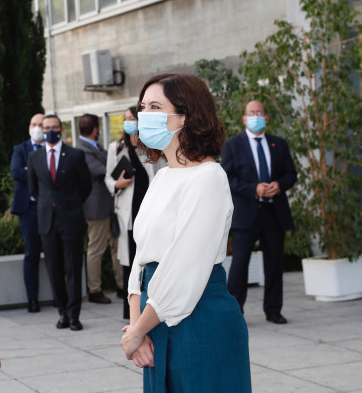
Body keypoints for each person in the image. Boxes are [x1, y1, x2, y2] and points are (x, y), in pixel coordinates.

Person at [120, 73, 251, 392]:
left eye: (154, 106)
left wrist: (138, 331)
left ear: (186, 117)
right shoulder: (162, 178)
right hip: (154, 318)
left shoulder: (208, 177)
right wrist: (137, 328)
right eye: (142, 107)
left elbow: (184, 265)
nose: (143, 115)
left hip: (200, 318)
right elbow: (141, 259)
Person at [221, 100, 296, 324]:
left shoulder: (279, 144)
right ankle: (236, 311)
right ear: (244, 118)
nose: (256, 116)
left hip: (274, 212)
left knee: (274, 263)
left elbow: (291, 174)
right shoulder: (233, 145)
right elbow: (227, 177)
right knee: (239, 264)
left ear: (266, 117)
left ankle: (273, 310)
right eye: (251, 113)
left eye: (260, 112)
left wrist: (279, 185)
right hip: (246, 214)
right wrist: (253, 189)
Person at [27, 114, 91, 331]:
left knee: (73, 268)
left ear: (61, 129)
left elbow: (86, 186)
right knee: (54, 270)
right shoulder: (34, 158)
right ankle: (62, 312)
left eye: (53, 127)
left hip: (71, 220)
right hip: (47, 222)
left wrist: (70, 205)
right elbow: (34, 189)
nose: (49, 131)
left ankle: (74, 315)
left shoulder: (75, 155)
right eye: (46, 128)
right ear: (42, 130)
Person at [104, 107, 164, 319]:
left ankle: (150, 304)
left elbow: (160, 174)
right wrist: (117, 184)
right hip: (128, 213)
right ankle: (130, 310)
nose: (128, 122)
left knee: (150, 257)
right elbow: (108, 178)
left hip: (150, 210)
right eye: (126, 119)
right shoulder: (116, 147)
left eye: (132, 118)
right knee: (131, 260)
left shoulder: (153, 146)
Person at [75, 114, 122, 304]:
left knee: (117, 247)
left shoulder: (95, 146)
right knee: (96, 249)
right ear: (95, 129)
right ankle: (94, 290)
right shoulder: (83, 150)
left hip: (110, 205)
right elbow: (105, 171)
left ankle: (122, 285)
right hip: (96, 208)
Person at [10, 113, 45, 313]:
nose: (38, 127)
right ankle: (32, 299)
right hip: (28, 209)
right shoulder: (20, 149)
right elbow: (16, 172)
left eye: (41, 124)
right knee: (31, 253)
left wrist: (30, 170)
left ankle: (60, 298)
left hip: (49, 208)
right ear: (29, 127)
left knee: (53, 253)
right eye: (34, 124)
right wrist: (41, 172)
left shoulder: (51, 149)